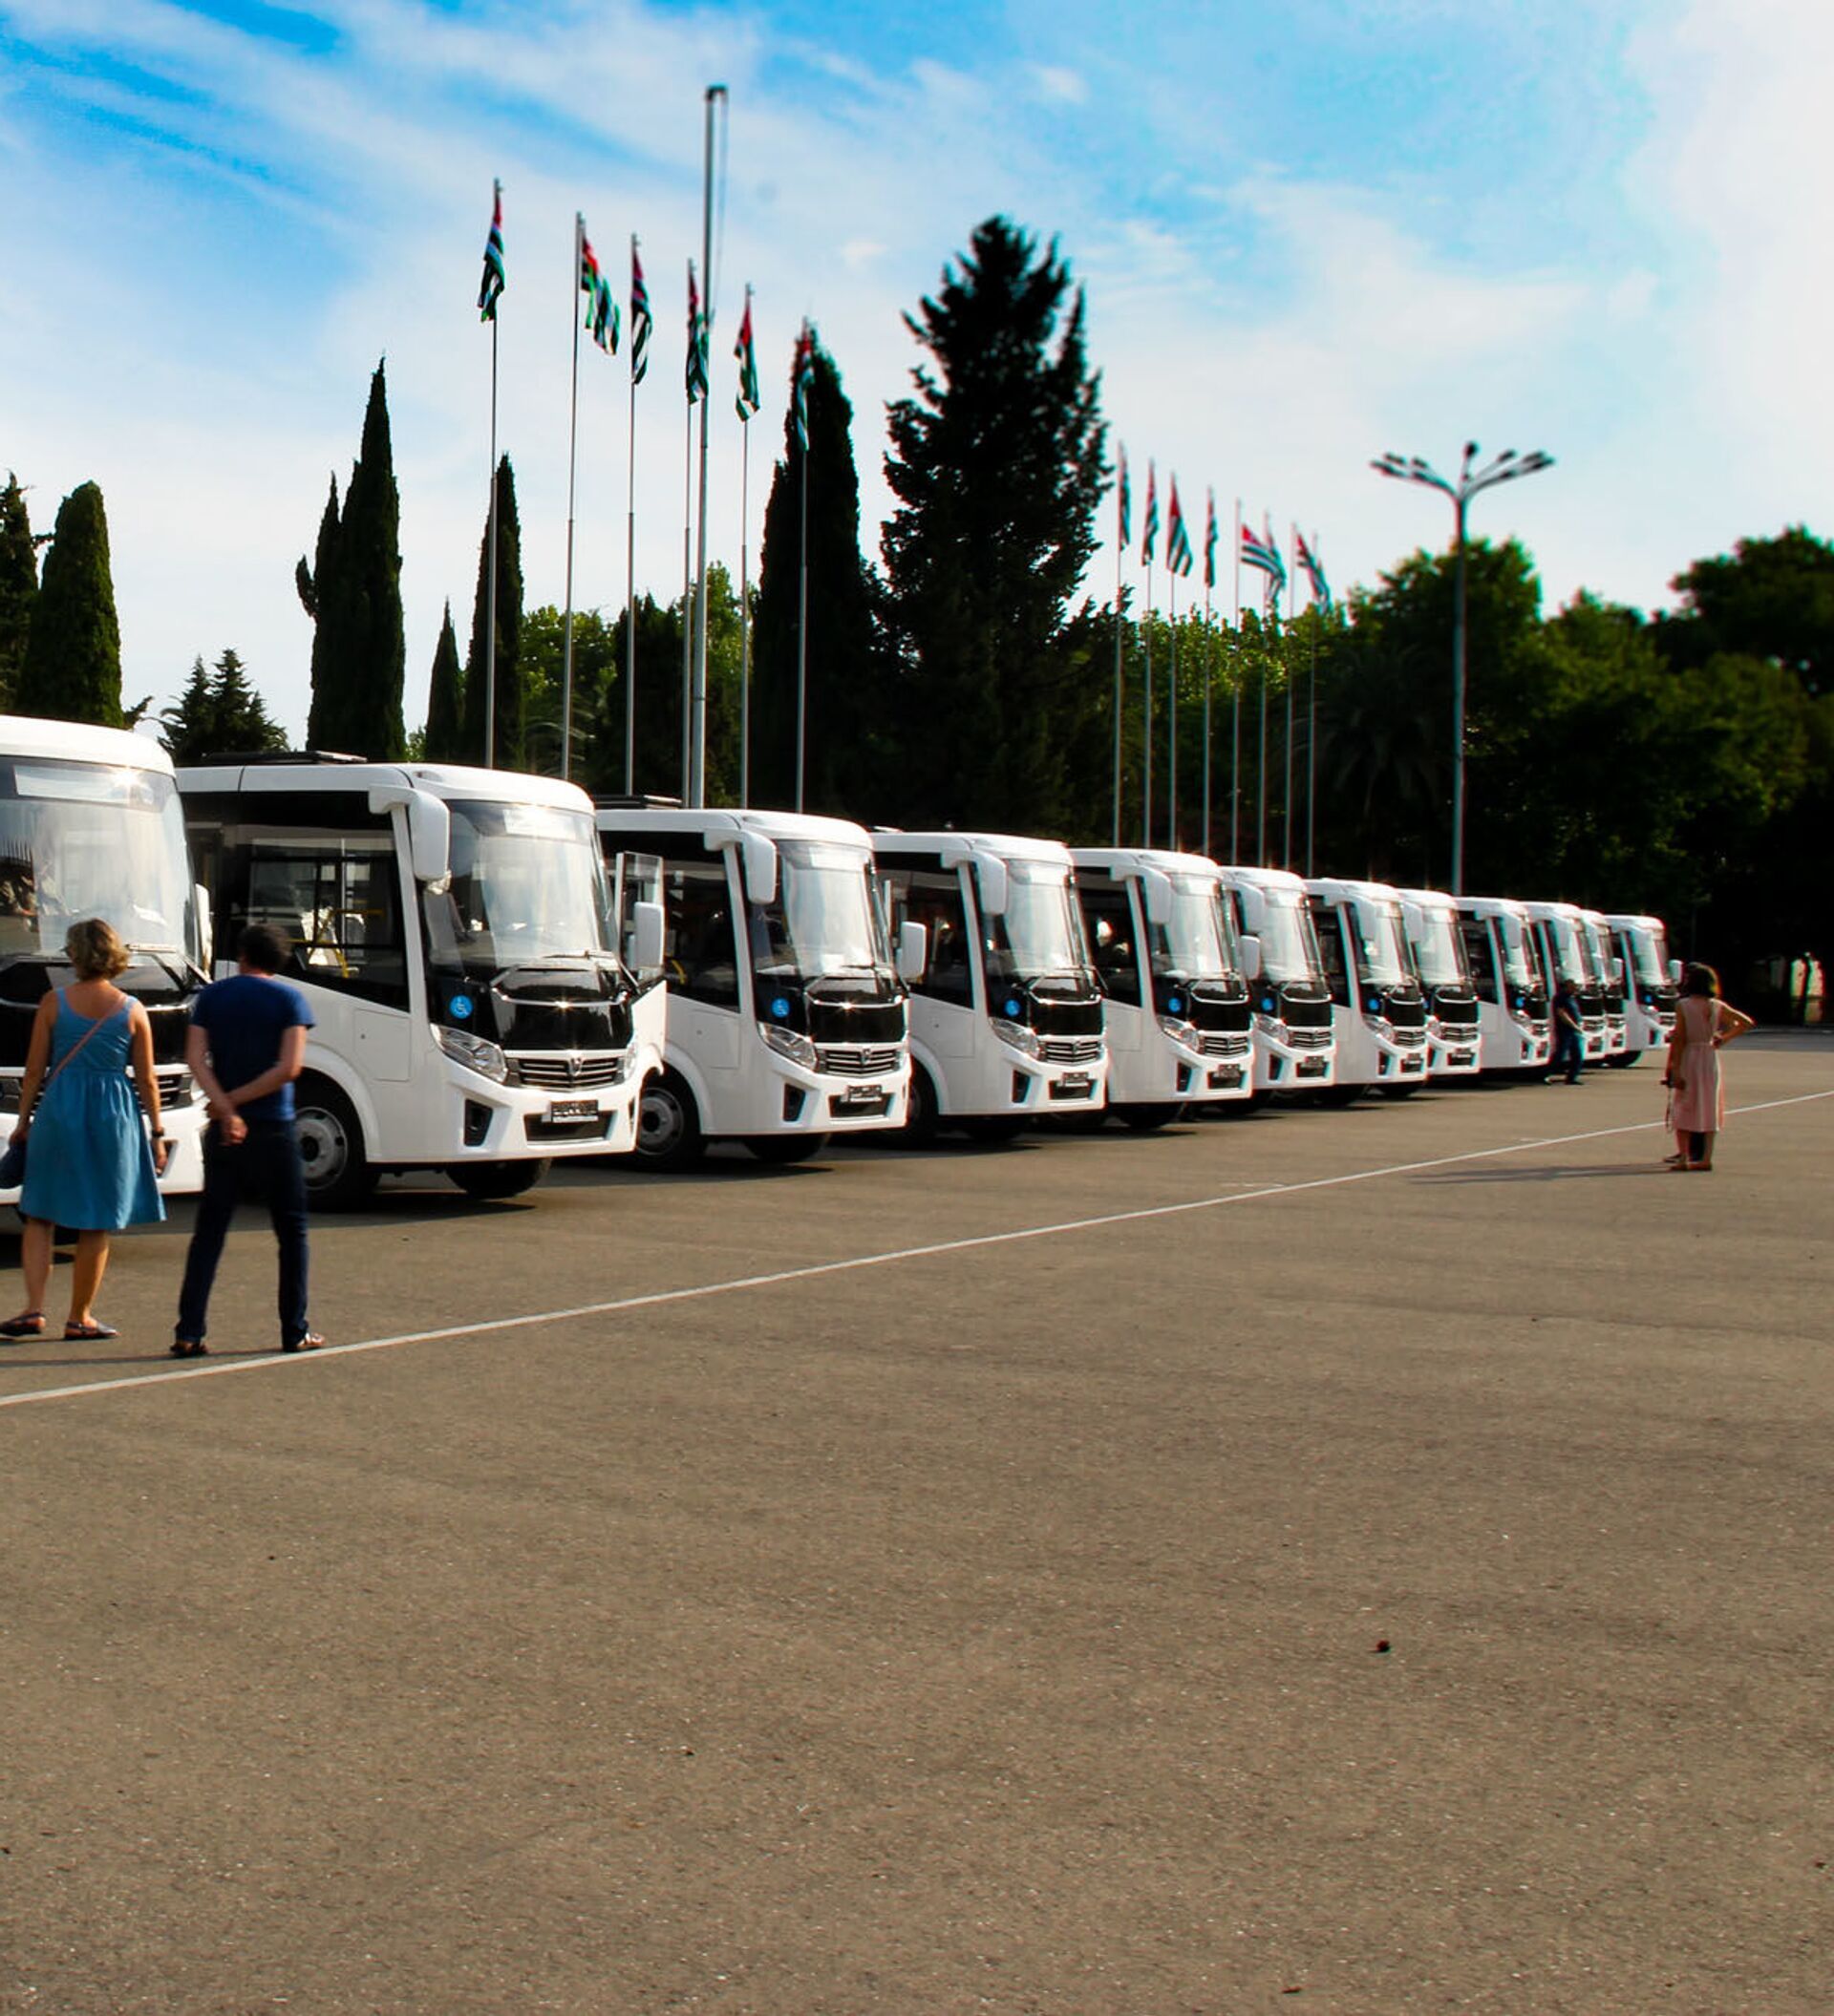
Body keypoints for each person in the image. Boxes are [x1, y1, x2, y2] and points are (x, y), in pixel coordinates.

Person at [0, 919, 168, 1343]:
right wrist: (157, 1132)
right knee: (96, 1219)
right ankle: (80, 1317)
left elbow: (35, 1069)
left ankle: (34, 1309)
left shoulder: (53, 1003)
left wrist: (23, 1123)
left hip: (60, 1108)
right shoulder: (132, 1010)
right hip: (113, 1113)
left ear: (74, 956)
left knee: (40, 1213)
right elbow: (146, 1079)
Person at [172, 923, 324, 1356]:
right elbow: (288, 1068)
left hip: (225, 1131)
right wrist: (237, 1103)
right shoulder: (291, 1000)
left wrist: (223, 1105)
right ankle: (294, 1330)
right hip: (274, 1125)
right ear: (279, 959)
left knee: (209, 1231)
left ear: (242, 955)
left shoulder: (213, 996)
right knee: (292, 1232)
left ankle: (189, 1330)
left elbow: (195, 1057)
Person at [1662, 963, 1755, 1172]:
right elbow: (1746, 1022)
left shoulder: (1684, 1005)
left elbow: (1680, 1038)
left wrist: (1674, 1068)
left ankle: (1684, 1156)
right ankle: (1705, 1157)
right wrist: (1724, 1037)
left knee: (1684, 1105)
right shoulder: (1717, 1006)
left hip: (1690, 1056)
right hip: (1709, 1056)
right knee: (1709, 1104)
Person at [1549, 975, 1586, 1084]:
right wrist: (1574, 1026)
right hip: (1565, 1030)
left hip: (1573, 1030)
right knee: (1560, 1054)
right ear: (1567, 986)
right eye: (1573, 986)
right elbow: (1562, 1014)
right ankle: (1546, 1074)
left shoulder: (1571, 997)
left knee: (1577, 1055)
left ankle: (1571, 1078)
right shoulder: (1560, 997)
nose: (1576, 989)